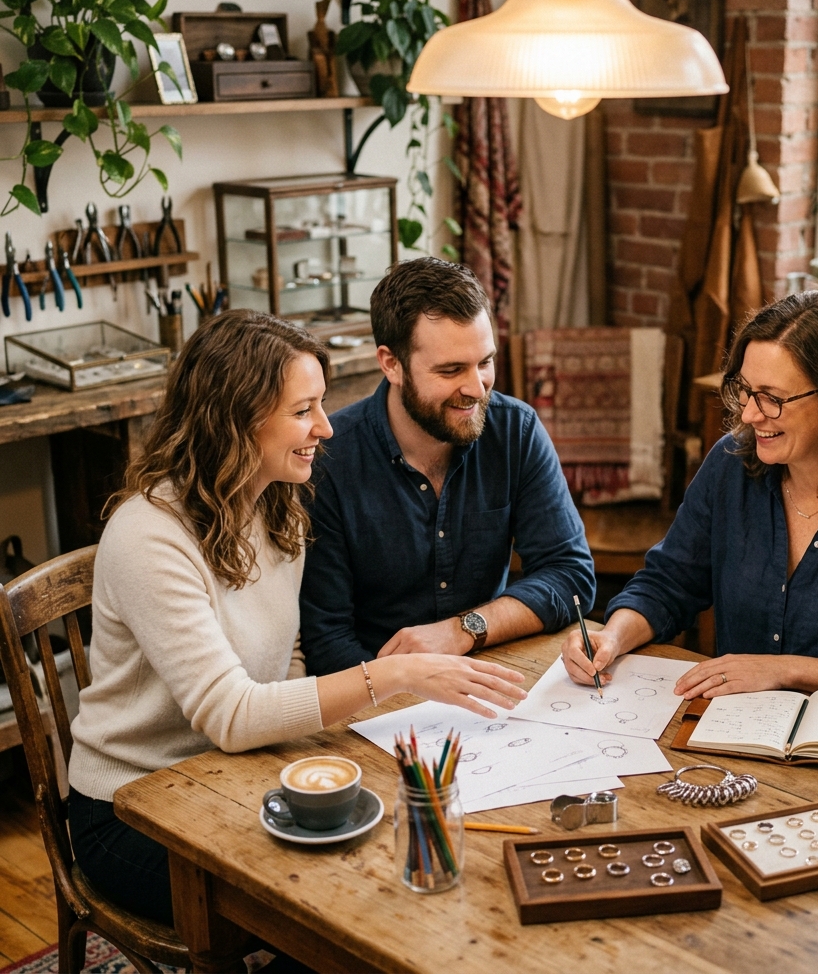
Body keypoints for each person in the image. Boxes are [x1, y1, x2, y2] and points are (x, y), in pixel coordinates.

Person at [68, 310, 527, 930]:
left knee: (368, 862)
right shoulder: (149, 536)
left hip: (227, 773)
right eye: (303, 409)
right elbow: (230, 715)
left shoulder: (276, 506)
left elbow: (286, 660)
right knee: (325, 905)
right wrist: (395, 674)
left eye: (322, 404)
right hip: (132, 804)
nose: (326, 427)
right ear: (236, 419)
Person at [561, 290, 818, 726]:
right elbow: (668, 583)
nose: (750, 414)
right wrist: (612, 637)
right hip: (747, 727)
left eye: (772, 398)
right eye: (745, 391)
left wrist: (782, 671)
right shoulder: (731, 464)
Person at [299, 257, 596, 676]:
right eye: (451, 370)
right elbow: (326, 640)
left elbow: (570, 576)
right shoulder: (329, 459)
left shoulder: (516, 430)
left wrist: (464, 629)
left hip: (493, 670)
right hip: (379, 689)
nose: (476, 388)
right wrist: (409, 690)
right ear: (391, 363)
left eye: (485, 362)